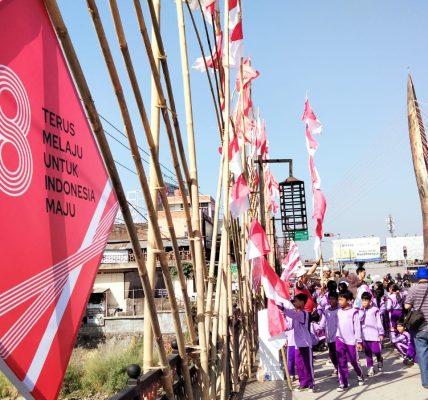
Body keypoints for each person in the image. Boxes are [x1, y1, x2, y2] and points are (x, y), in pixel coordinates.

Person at [278, 293, 317, 392]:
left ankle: (311, 384)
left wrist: (283, 309)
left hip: (306, 344)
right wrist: (282, 317)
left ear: (302, 302)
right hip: (297, 344)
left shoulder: (304, 314)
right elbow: (289, 326)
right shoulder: (295, 314)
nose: (294, 302)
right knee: (299, 365)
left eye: (296, 300)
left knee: (308, 365)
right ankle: (303, 384)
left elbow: (294, 315)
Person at [336, 290, 364, 392]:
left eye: (341, 299)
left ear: (348, 300)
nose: (339, 301)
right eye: (339, 299)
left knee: (353, 361)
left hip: (351, 341)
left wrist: (359, 341)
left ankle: (360, 374)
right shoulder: (338, 311)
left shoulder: (354, 312)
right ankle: (343, 382)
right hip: (339, 339)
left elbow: (357, 328)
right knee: (341, 361)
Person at [404, 267, 428, 389]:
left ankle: (426, 382)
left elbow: (407, 306)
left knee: (423, 355)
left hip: (420, 327)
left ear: (417, 277)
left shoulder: (413, 289)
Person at [359, 292, 384, 376]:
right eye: (363, 301)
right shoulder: (361, 310)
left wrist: (381, 333)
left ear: (370, 301)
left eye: (366, 301)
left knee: (376, 350)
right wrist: (362, 310)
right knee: (368, 353)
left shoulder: (375, 310)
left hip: (374, 335)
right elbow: (359, 320)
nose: (364, 302)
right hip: (365, 335)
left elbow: (379, 322)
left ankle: (379, 358)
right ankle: (370, 368)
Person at [320, 291, 339, 376]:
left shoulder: (340, 310)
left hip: (338, 336)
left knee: (338, 353)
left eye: (333, 299)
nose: (331, 300)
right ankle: (336, 366)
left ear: (337, 299)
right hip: (329, 336)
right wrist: (319, 328)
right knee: (332, 354)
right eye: (329, 299)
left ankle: (340, 368)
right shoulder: (327, 311)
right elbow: (323, 322)